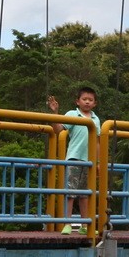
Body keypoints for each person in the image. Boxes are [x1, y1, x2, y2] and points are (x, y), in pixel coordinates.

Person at [46, 86, 101, 233]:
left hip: (89, 161)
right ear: (77, 101)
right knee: (70, 192)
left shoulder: (96, 119)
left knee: (85, 195)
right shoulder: (72, 114)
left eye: (90, 100)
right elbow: (58, 130)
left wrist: (98, 162)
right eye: (84, 99)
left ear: (95, 103)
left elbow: (97, 142)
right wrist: (55, 113)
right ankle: (67, 223)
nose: (87, 102)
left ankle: (85, 226)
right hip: (74, 158)